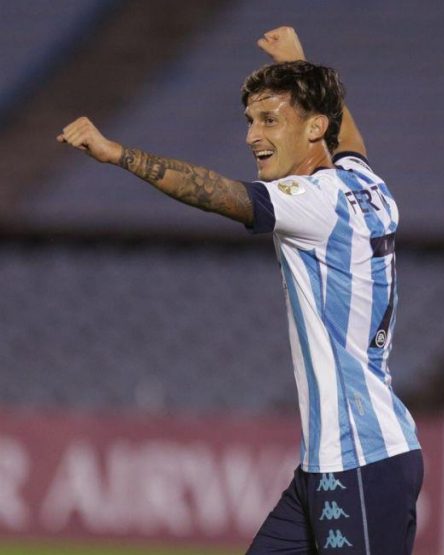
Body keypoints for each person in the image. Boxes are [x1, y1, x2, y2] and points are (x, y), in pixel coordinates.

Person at [58, 27, 422, 554]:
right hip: (339, 458)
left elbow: (220, 194)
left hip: (360, 460)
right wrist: (301, 63)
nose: (252, 136)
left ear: (315, 127)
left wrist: (118, 155)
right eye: (250, 121)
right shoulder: (367, 184)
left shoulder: (311, 200)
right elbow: (349, 143)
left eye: (270, 121)